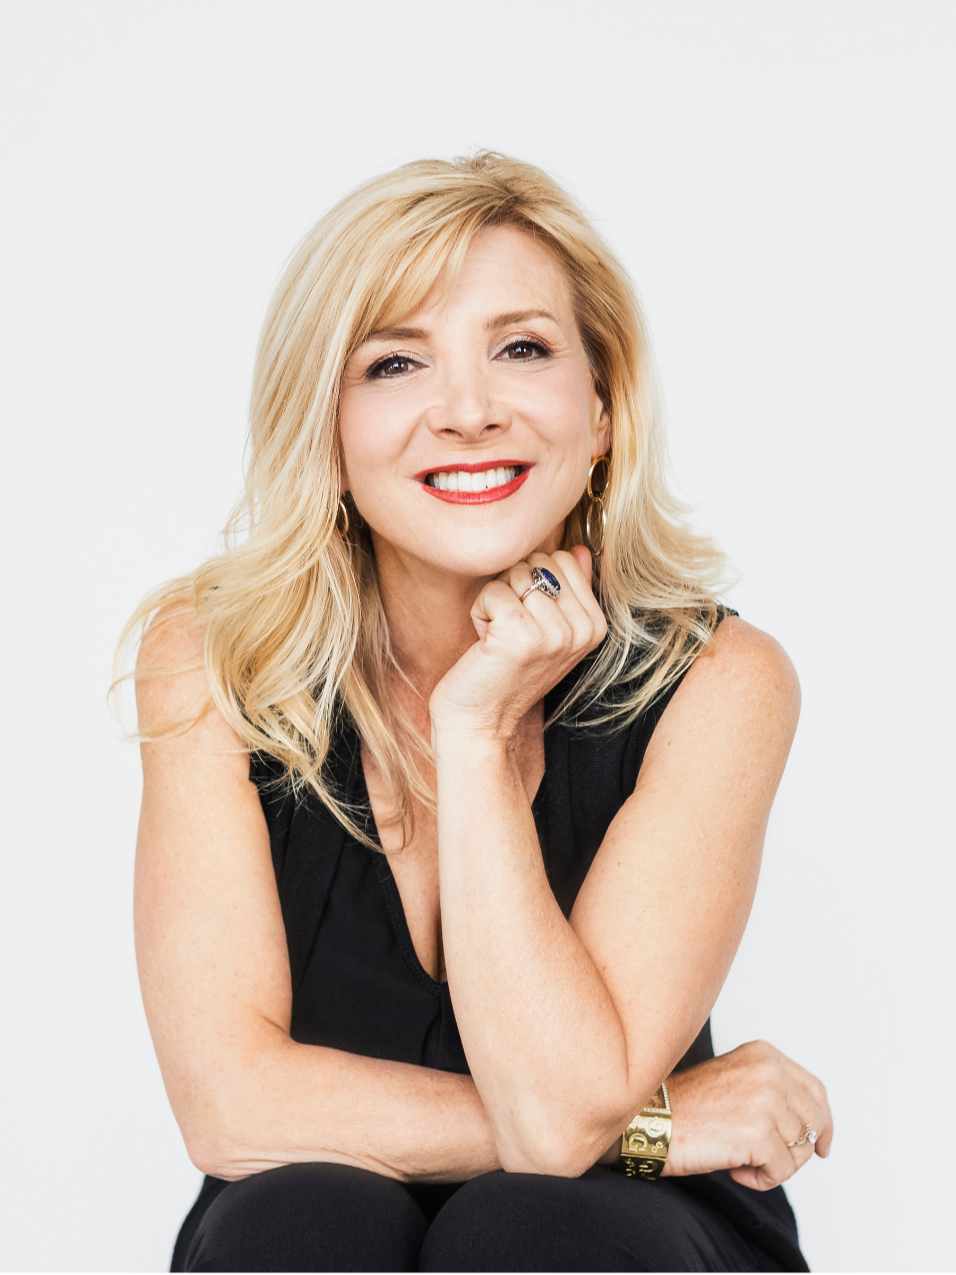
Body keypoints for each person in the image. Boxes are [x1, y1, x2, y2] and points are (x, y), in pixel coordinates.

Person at [122, 152, 832, 1272]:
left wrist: (475, 730)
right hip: (321, 1224)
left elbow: (555, 1135)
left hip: (620, 1241)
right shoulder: (213, 659)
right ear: (326, 426)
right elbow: (229, 1111)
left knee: (534, 1226)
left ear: (601, 408)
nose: (466, 411)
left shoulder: (720, 680)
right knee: (297, 1218)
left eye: (522, 349)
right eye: (395, 362)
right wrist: (654, 1125)